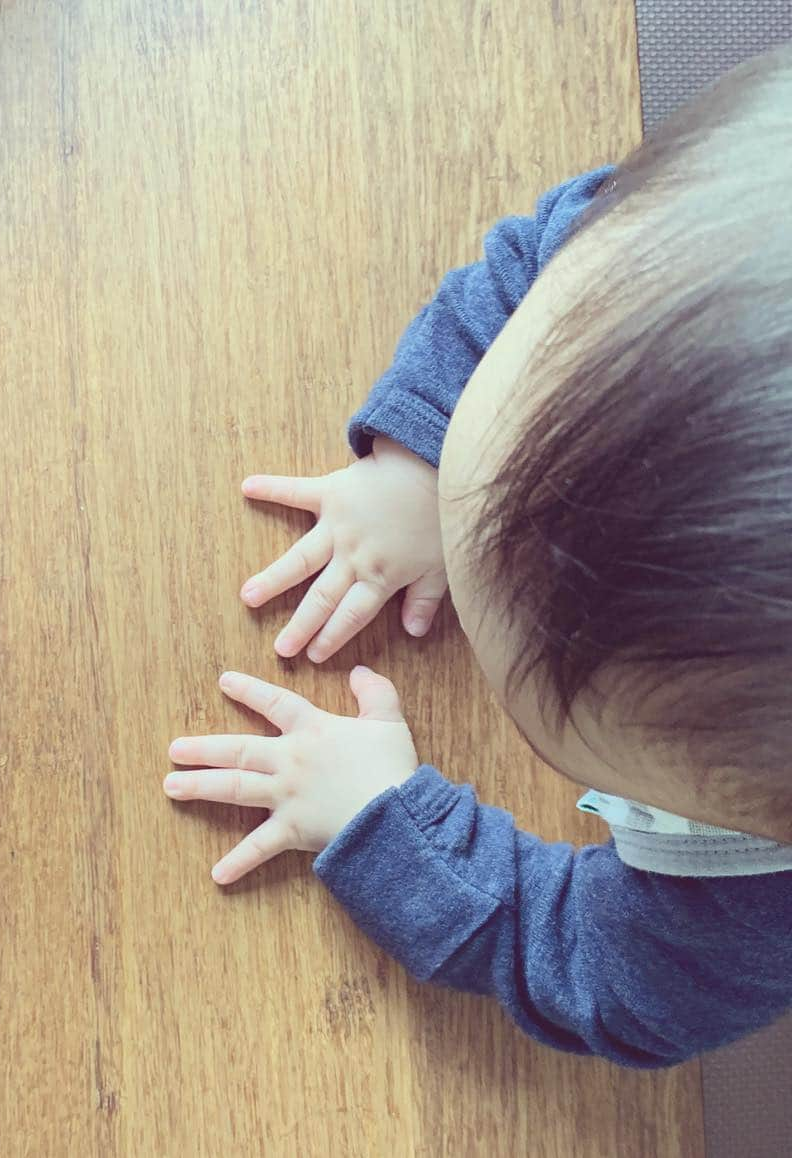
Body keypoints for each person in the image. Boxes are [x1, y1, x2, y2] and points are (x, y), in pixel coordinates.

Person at [163, 44, 792, 1067]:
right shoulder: (712, 232)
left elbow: (602, 975)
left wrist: (387, 828)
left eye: (549, 728)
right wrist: (426, 460)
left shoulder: (762, 914)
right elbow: (554, 254)